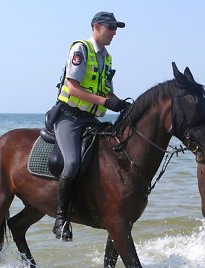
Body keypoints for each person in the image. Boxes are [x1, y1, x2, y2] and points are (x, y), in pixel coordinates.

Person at [51, 11, 129, 241]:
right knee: (73, 162)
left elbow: (106, 90)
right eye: (111, 27)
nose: (114, 32)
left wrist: (120, 103)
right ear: (97, 26)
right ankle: (61, 219)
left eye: (116, 28)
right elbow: (73, 88)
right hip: (69, 117)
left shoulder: (107, 57)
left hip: (90, 119)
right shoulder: (80, 49)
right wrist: (106, 101)